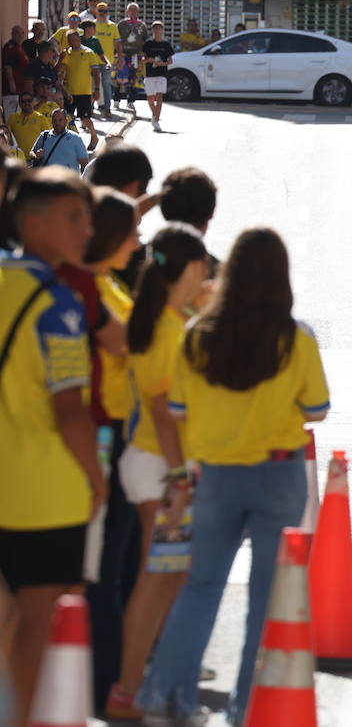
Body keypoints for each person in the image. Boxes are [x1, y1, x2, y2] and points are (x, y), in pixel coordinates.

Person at [136, 228, 329, 726]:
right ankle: (247, 707)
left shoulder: (198, 335)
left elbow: (177, 407)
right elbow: (317, 409)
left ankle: (164, 695)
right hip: (277, 473)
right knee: (266, 599)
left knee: (200, 587)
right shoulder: (296, 338)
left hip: (215, 476)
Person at [0, 167, 104, 726]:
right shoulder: (58, 304)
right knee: (37, 628)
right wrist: (97, 479)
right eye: (74, 217)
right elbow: (70, 411)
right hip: (46, 495)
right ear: (32, 222)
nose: (87, 229)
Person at [107, 223, 210, 719]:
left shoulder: (164, 318)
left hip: (154, 466)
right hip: (162, 470)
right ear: (190, 267)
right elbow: (167, 412)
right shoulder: (169, 329)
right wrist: (181, 483)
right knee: (157, 580)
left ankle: (150, 688)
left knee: (167, 579)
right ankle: (130, 690)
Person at [79, 189, 144, 712]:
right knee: (102, 568)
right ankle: (103, 683)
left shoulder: (103, 282)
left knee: (117, 562)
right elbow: (125, 343)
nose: (140, 240)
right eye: (131, 231)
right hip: (101, 436)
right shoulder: (88, 287)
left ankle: (112, 675)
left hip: (117, 434)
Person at [59, 26, 102, 149]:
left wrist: (97, 89)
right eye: (70, 40)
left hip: (84, 92)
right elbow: (61, 70)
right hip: (69, 92)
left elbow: (96, 72)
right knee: (67, 117)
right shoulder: (67, 53)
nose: (73, 42)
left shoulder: (89, 53)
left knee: (85, 118)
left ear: (79, 38)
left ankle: (94, 136)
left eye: (74, 39)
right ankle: (69, 142)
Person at [142, 22, 175, 133]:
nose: (157, 31)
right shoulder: (148, 44)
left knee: (159, 96)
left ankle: (156, 119)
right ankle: (154, 114)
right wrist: (149, 60)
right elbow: (143, 59)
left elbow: (170, 61)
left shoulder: (166, 44)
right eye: (155, 29)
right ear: (153, 31)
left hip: (162, 74)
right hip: (150, 73)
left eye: (159, 29)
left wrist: (162, 63)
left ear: (162, 30)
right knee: (150, 97)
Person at [116, 3, 148, 112]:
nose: (133, 11)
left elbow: (145, 41)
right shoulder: (121, 24)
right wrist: (118, 54)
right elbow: (116, 40)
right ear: (127, 11)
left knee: (134, 79)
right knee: (120, 78)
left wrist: (143, 55)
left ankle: (131, 101)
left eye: (135, 9)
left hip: (136, 56)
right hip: (123, 55)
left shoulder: (142, 25)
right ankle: (117, 99)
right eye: (131, 9)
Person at [92, 4, 119, 118]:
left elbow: (118, 44)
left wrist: (120, 58)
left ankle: (108, 109)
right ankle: (91, 108)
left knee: (106, 85)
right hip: (92, 61)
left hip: (107, 62)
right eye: (100, 10)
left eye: (105, 11)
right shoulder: (92, 25)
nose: (102, 13)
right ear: (96, 11)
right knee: (92, 85)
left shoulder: (112, 26)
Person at [6, 92, 49, 158]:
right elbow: (7, 137)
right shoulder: (12, 118)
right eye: (23, 101)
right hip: (19, 158)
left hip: (36, 158)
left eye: (29, 100)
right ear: (19, 103)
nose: (26, 103)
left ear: (33, 102)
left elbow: (48, 138)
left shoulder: (41, 118)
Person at [2, 25, 26, 116]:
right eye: (17, 33)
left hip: (20, 89)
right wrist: (12, 83)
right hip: (12, 90)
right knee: (10, 115)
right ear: (12, 34)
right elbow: (8, 66)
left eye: (22, 33)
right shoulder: (10, 47)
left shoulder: (19, 47)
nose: (20, 36)